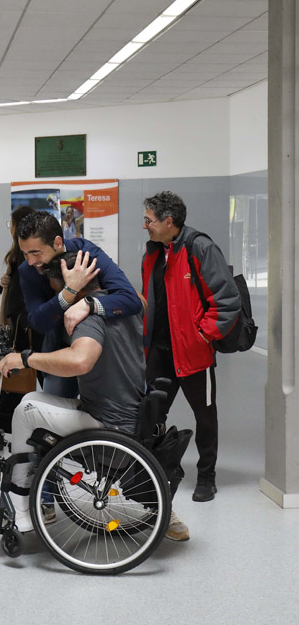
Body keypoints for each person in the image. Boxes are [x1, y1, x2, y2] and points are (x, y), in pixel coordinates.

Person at [0, 252, 189, 542]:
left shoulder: (89, 318)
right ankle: (31, 496)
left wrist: (25, 359)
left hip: (108, 424)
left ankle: (19, 506)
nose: (57, 298)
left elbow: (81, 360)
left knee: (25, 411)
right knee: (34, 401)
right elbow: (140, 301)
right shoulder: (123, 305)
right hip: (130, 416)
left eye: (58, 290)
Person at [142, 191, 241, 502]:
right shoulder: (152, 253)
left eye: (149, 220)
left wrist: (202, 336)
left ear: (169, 221)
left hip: (194, 353)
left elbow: (227, 301)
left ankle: (207, 476)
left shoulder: (200, 247)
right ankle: (154, 473)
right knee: (152, 416)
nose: (145, 225)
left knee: (205, 416)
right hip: (159, 353)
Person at [16, 210, 143, 398]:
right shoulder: (27, 271)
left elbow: (130, 299)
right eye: (25, 254)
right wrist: (68, 294)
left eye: (35, 252)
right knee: (53, 408)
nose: (30, 261)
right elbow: (38, 322)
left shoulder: (87, 253)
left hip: (103, 349)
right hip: (59, 349)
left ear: (58, 242)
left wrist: (88, 304)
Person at [0, 205, 42, 446]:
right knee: (17, 377)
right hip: (22, 324)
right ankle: (1, 428)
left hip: (25, 326)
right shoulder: (18, 255)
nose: (9, 228)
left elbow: (20, 298)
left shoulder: (25, 256)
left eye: (10, 223)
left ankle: (0, 430)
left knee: (15, 376)